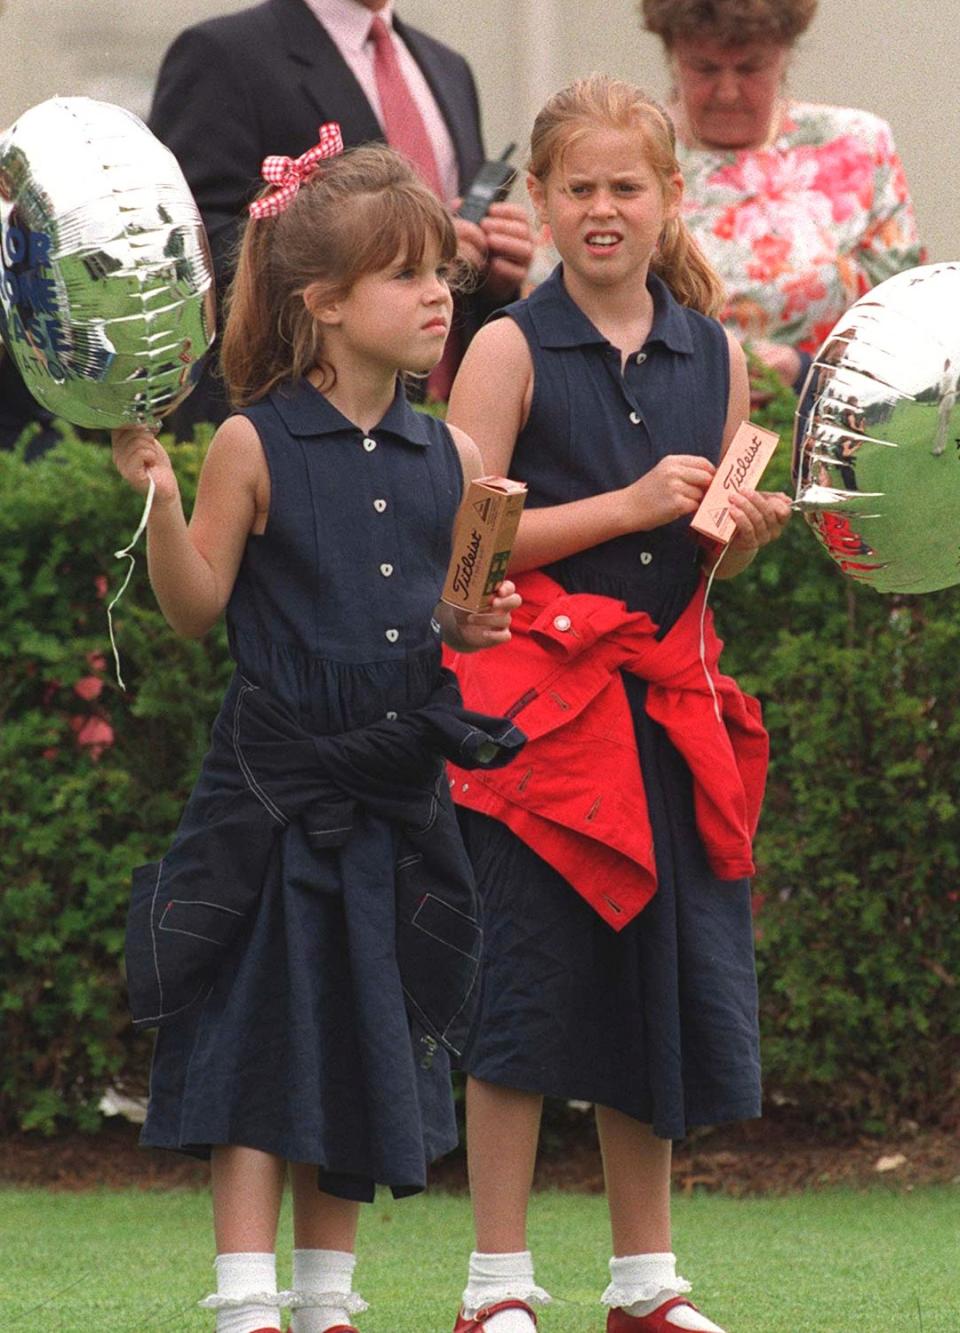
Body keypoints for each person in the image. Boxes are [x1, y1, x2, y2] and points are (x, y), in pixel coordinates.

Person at [111, 136, 524, 1333]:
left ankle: (325, 1303)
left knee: (358, 1031)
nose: (440, 293)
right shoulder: (253, 440)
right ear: (327, 306)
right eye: (407, 275)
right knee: (254, 1033)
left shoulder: (455, 453)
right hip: (274, 788)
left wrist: (470, 620)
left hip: (394, 793)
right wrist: (164, 498)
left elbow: (452, 624)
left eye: (443, 269)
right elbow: (196, 610)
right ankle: (247, 1301)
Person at [443, 76, 792, 1333]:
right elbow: (462, 556)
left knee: (658, 991)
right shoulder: (505, 346)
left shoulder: (723, 356)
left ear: (669, 200)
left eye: (626, 187)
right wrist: (631, 503)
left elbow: (714, 552)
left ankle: (646, 1284)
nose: (602, 209)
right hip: (532, 720)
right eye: (577, 187)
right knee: (522, 994)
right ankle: (497, 1287)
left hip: (664, 713)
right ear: (537, 200)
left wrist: (738, 531)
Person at [148, 0, 534, 433]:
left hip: (443, 429)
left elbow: (454, 272)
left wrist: (492, 273)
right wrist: (381, 254)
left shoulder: (449, 68)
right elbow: (182, 247)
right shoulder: (222, 53)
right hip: (292, 425)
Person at [638, 0, 924, 395]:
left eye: (750, 68)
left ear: (784, 55)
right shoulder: (634, 153)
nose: (727, 92)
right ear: (673, 55)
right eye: (704, 68)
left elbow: (909, 327)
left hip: (819, 424)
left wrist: (807, 370)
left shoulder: (857, 146)